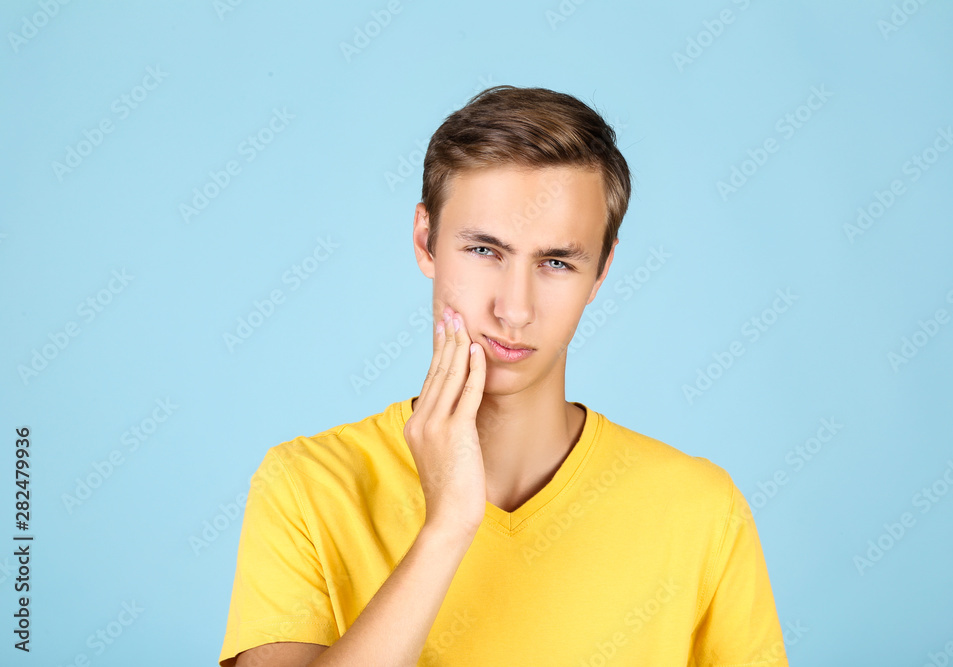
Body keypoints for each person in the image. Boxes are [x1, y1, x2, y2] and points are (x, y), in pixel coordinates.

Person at [218, 85, 789, 666]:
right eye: (485, 251)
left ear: (602, 273)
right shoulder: (306, 486)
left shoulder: (701, 510)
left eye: (557, 263)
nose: (514, 310)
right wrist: (446, 528)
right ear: (426, 241)